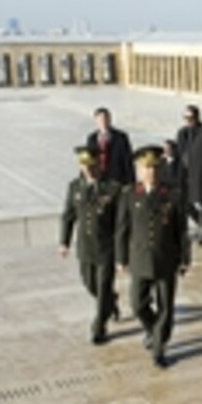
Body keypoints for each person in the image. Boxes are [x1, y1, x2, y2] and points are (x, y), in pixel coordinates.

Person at [116, 146, 191, 369]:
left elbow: (182, 230)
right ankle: (152, 329)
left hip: (166, 257)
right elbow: (122, 228)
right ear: (139, 170)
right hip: (139, 257)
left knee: (166, 305)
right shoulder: (130, 194)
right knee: (137, 304)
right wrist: (121, 258)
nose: (151, 172)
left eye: (155, 167)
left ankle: (159, 347)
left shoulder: (173, 194)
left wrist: (184, 258)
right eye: (147, 167)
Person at [59, 145, 122, 345]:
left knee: (102, 287)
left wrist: (122, 252)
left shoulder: (112, 188)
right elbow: (68, 216)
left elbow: (121, 223)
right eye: (84, 165)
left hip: (107, 247)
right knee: (90, 284)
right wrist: (64, 242)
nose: (88, 169)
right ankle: (111, 303)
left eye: (92, 165)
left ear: (99, 164)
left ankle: (99, 326)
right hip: (85, 247)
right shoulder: (75, 187)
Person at [176, 105, 202, 245]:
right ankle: (198, 223)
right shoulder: (182, 133)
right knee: (185, 203)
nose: (188, 121)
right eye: (186, 118)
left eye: (191, 118)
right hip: (186, 175)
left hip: (200, 174)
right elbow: (179, 154)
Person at [86, 107, 135, 185]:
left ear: (110, 119)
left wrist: (131, 182)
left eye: (106, 118)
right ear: (96, 120)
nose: (103, 122)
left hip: (117, 180)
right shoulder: (92, 138)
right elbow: (87, 160)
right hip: (98, 180)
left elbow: (128, 161)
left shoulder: (121, 137)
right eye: (100, 119)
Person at [157, 139, 188, 206]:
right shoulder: (161, 162)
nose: (166, 151)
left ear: (173, 150)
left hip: (175, 192)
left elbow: (180, 179)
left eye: (168, 148)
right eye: (165, 148)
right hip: (162, 192)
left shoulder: (180, 163)